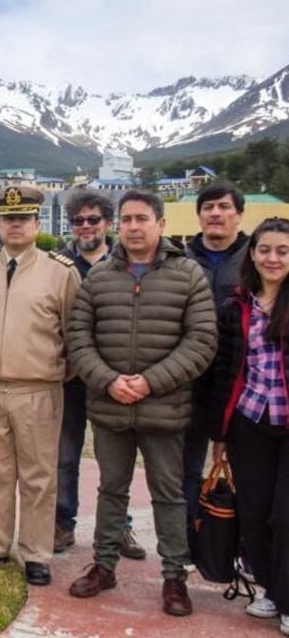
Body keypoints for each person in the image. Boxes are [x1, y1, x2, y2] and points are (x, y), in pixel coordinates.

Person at [67, 190, 217, 617]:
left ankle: (174, 577)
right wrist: (108, 381)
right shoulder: (99, 277)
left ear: (161, 224)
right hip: (111, 406)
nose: (133, 227)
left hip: (164, 408)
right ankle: (104, 566)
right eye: (127, 219)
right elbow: (78, 338)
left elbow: (202, 341)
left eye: (142, 219)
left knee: (168, 494)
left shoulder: (188, 274)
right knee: (110, 489)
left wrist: (151, 382)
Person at [0, 186, 80, 587]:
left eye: (23, 219)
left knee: (38, 476)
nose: (15, 225)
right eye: (8, 219)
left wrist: (52, 371)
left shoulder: (61, 272)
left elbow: (73, 333)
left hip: (38, 388)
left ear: (36, 223)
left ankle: (35, 553)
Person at [53, 192, 145, 560]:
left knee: (116, 459)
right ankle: (62, 521)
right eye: (78, 221)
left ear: (108, 223)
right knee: (65, 454)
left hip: (114, 375)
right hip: (70, 376)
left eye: (94, 219)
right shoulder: (58, 264)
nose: (86, 226)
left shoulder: (128, 263)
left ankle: (118, 526)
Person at [209, 218, 289, 633]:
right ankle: (273, 591)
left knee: (285, 515)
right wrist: (220, 434)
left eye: (283, 251)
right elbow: (224, 372)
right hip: (250, 421)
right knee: (254, 513)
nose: (273, 258)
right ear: (252, 254)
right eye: (265, 250)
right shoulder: (237, 306)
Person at [182, 183, 249, 542]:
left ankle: (245, 546)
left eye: (224, 207)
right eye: (208, 207)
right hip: (190, 379)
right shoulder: (181, 258)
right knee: (187, 466)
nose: (215, 213)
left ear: (239, 214)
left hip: (240, 380)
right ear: (199, 215)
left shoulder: (256, 257)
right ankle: (188, 540)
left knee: (246, 468)